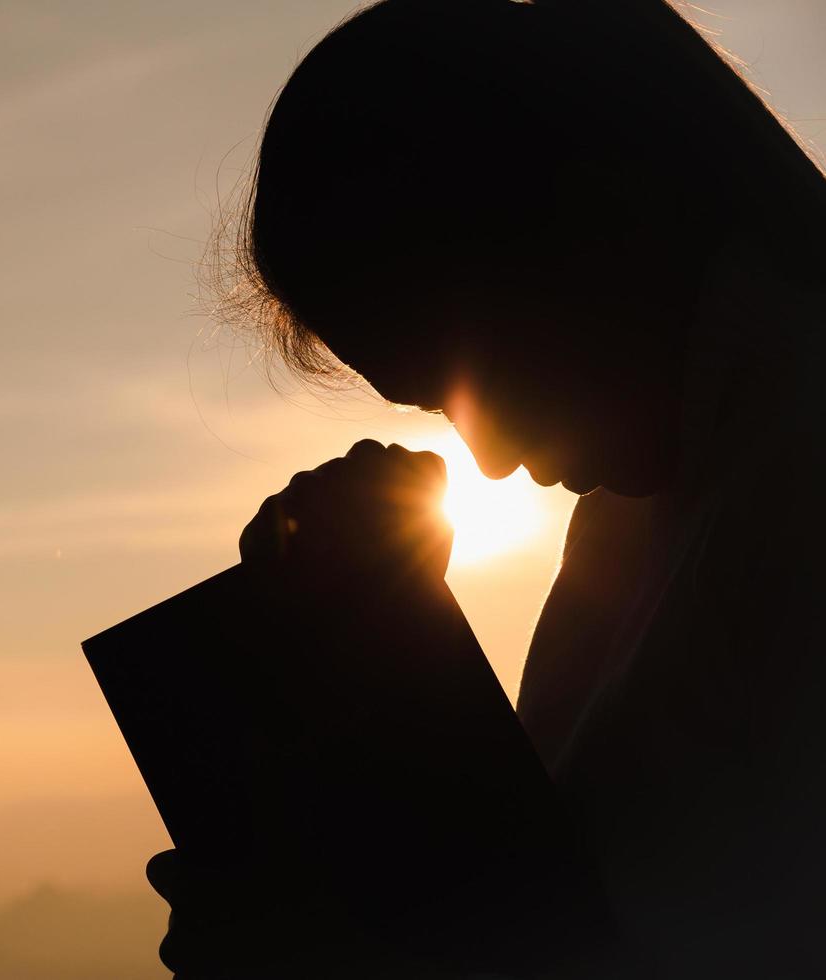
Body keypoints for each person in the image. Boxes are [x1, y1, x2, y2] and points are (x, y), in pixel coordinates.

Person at [145, 0, 826, 976]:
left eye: (480, 379)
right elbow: (563, 900)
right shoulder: (641, 508)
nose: (494, 457)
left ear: (595, 222)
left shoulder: (790, 464)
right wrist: (376, 651)